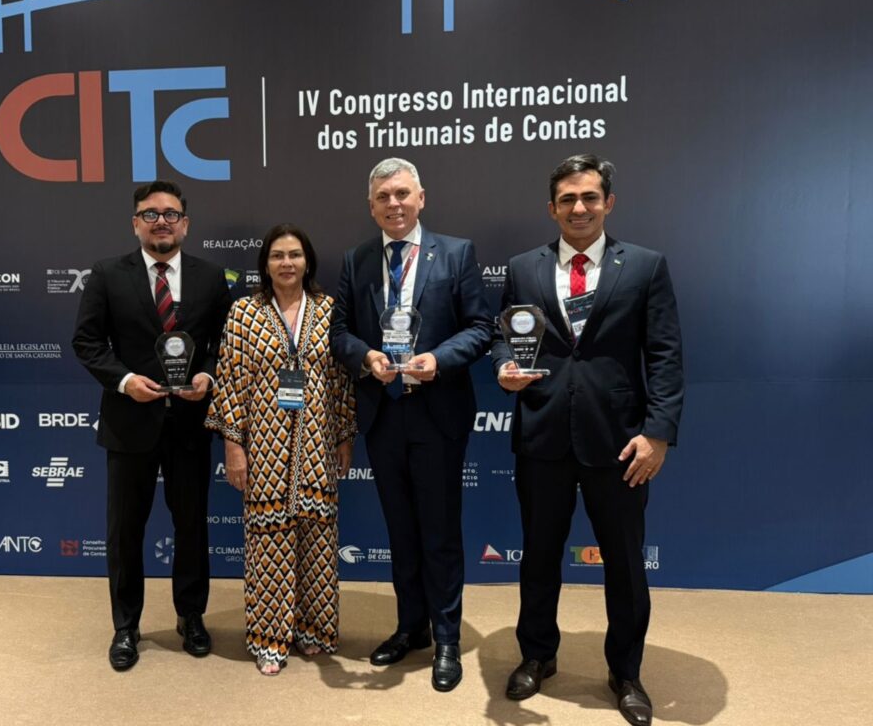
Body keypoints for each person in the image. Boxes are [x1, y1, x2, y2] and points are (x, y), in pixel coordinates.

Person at [490, 154, 684, 726]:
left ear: (608, 203)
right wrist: (503, 368)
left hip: (620, 442)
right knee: (539, 557)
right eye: (568, 199)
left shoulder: (645, 266)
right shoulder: (522, 268)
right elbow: (504, 335)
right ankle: (537, 655)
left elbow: (666, 356)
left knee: (624, 563)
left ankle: (626, 672)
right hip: (542, 434)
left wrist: (658, 434)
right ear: (552, 208)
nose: (579, 207)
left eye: (590, 197)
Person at [330, 157, 492, 692]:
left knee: (439, 531)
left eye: (402, 194)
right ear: (371, 206)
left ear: (421, 198)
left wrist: (438, 359)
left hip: (437, 411)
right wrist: (366, 357)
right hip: (383, 412)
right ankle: (411, 627)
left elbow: (480, 327)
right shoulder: (356, 260)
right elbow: (339, 332)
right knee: (400, 530)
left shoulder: (457, 253)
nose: (394, 204)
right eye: (383, 197)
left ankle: (446, 638)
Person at [72, 179, 232, 671]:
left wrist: (207, 376)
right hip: (129, 422)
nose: (161, 221)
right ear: (135, 223)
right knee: (125, 531)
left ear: (185, 223)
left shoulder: (210, 277)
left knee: (192, 526)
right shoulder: (106, 274)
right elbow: (87, 343)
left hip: (189, 423)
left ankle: (191, 616)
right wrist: (125, 382)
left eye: (170, 214)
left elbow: (223, 343)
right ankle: (126, 626)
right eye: (150, 214)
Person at [206, 223, 356, 675]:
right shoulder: (244, 313)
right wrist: (234, 446)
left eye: (294, 255)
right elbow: (230, 381)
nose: (286, 263)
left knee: (319, 540)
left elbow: (342, 380)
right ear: (265, 264)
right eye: (277, 256)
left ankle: (314, 628)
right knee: (268, 542)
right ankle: (269, 637)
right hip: (264, 445)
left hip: (317, 442)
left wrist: (345, 435)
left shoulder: (330, 310)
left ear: (307, 261)